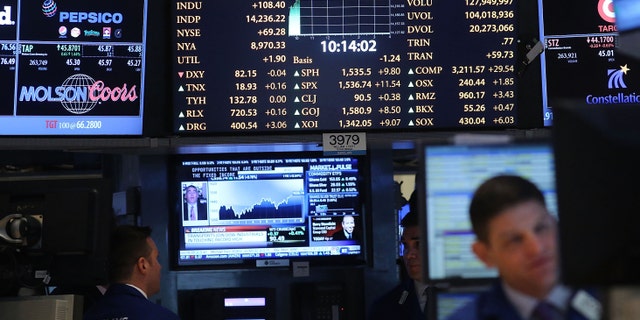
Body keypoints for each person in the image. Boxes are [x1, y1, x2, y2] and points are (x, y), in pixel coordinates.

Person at [446, 175, 602, 320]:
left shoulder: (614, 300)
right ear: (484, 255)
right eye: (515, 240)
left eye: (541, 228)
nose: (536, 249)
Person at [83, 225, 180, 320]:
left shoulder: (86, 316)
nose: (160, 266)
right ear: (143, 265)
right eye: (156, 258)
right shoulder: (163, 317)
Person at [368, 210, 428, 320]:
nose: (409, 255)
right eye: (405, 245)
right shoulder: (385, 308)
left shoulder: (466, 295)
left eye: (418, 244)